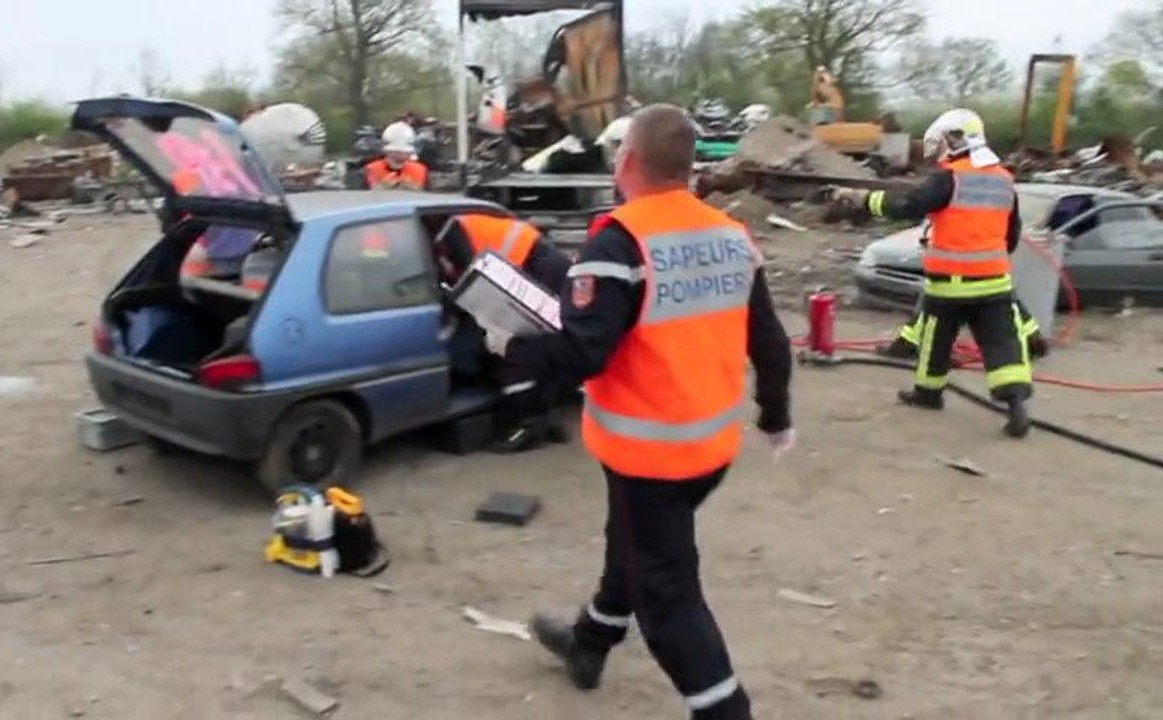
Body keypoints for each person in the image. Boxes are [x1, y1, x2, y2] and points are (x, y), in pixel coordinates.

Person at [483, 104, 795, 720]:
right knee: (634, 543)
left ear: (626, 161)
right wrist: (775, 415)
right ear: (689, 168)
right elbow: (770, 341)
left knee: (668, 596)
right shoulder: (732, 237)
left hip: (649, 456)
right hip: (709, 451)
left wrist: (510, 346)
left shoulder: (618, 239)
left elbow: (581, 354)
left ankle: (726, 711)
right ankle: (590, 643)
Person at [834, 108, 1033, 437]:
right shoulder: (1003, 180)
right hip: (994, 282)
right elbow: (1011, 235)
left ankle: (928, 394)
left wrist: (865, 200)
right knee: (1003, 344)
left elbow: (908, 206)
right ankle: (1016, 407)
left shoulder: (950, 178)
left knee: (935, 339)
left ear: (955, 140)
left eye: (942, 141)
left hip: (949, 284)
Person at [435, 213, 574, 452]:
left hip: (536, 269)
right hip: (538, 265)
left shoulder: (450, 231)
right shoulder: (453, 231)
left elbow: (475, 280)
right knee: (537, 343)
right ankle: (544, 418)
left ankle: (529, 424)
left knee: (516, 346)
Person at [878, 221, 1048, 360]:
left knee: (939, 302)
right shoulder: (999, 186)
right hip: (989, 257)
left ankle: (911, 346)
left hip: (959, 259)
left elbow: (921, 203)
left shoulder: (955, 183)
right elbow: (1012, 228)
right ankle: (1033, 339)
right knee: (1002, 297)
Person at [363, 131, 428, 191]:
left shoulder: (419, 169)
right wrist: (381, 187)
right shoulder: (372, 168)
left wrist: (413, 188)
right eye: (396, 152)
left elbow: (427, 195)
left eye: (403, 151)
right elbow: (363, 195)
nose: (399, 155)